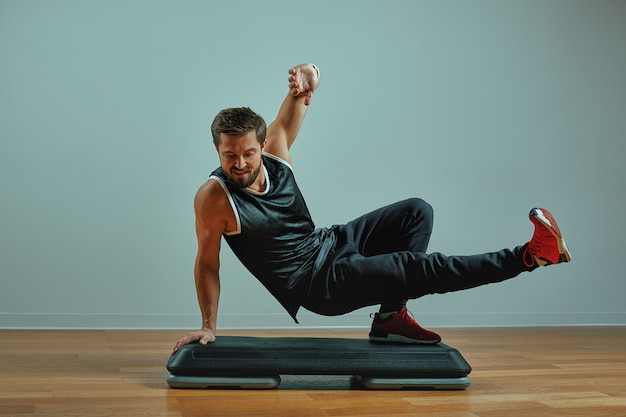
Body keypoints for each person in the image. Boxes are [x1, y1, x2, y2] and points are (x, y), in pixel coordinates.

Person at [172, 63, 571, 353]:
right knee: (415, 268)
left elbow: (302, 95)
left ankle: (390, 317)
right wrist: (208, 326)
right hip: (317, 284)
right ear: (217, 151)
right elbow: (207, 262)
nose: (239, 164)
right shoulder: (214, 198)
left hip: (330, 242)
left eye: (247, 153)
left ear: (262, 146)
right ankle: (531, 256)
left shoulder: (276, 150)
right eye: (229, 156)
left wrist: (311, 73)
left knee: (418, 211)